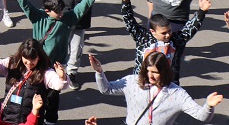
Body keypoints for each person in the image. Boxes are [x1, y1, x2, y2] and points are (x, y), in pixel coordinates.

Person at [91, 51, 222, 125]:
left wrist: (208, 106)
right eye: (148, 71)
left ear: (164, 72)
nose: (150, 76)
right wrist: (99, 72)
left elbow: (201, 116)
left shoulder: (177, 94)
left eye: (155, 72)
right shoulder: (132, 82)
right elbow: (106, 89)